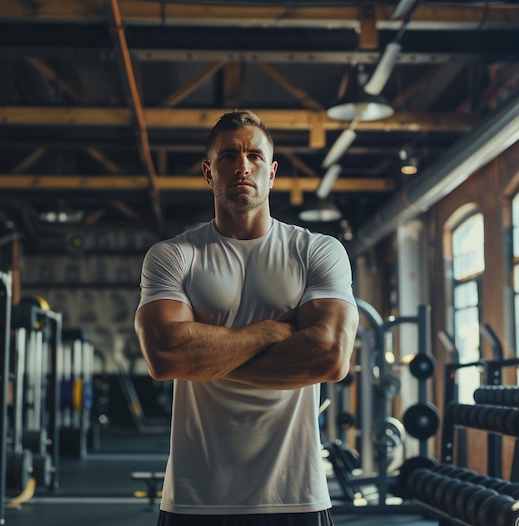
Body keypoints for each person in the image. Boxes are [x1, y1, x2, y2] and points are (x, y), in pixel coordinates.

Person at [134, 110, 359, 526]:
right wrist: (272, 332)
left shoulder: (315, 251)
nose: (242, 165)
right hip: (195, 497)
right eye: (228, 156)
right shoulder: (174, 257)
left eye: (255, 156)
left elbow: (329, 357)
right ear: (208, 172)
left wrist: (205, 358)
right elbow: (166, 356)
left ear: (271, 172)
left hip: (296, 495)